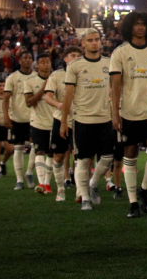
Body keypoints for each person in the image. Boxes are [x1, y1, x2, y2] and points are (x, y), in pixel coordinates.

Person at [111, 10, 147, 219]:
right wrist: (115, 113)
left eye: (143, 24)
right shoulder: (120, 52)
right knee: (129, 156)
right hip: (129, 112)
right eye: (136, 24)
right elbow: (115, 86)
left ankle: (144, 188)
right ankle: (133, 202)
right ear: (129, 27)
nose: (140, 27)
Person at [60, 29, 116, 211]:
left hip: (104, 118)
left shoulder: (109, 63)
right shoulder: (75, 66)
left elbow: (115, 91)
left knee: (107, 158)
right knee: (83, 160)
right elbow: (68, 95)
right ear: (83, 43)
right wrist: (63, 121)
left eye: (97, 40)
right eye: (90, 40)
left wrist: (115, 114)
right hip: (83, 119)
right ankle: (84, 197)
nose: (94, 43)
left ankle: (92, 183)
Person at [3, 53, 43, 190]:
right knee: (18, 148)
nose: (27, 60)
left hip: (34, 117)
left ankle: (29, 172)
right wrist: (6, 116)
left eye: (29, 58)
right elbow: (6, 98)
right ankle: (19, 179)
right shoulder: (13, 77)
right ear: (19, 61)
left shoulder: (36, 77)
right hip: (17, 117)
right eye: (24, 58)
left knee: (35, 146)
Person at [46, 46, 81, 203]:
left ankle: (81, 191)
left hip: (81, 119)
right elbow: (48, 96)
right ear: (65, 58)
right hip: (61, 119)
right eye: (72, 55)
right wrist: (59, 105)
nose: (75, 57)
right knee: (59, 156)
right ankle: (60, 189)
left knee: (81, 157)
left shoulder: (85, 73)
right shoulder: (57, 75)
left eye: (78, 55)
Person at [27, 55, 56, 195]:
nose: (45, 65)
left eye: (47, 62)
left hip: (54, 121)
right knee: (39, 151)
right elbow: (29, 102)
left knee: (51, 153)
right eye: (42, 62)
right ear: (37, 66)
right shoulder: (30, 81)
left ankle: (47, 183)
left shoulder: (57, 79)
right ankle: (40, 183)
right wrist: (44, 89)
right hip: (38, 122)